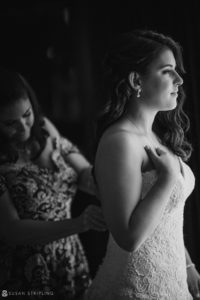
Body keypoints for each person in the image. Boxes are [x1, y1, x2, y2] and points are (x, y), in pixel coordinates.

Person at [85, 29, 200, 300]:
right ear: (137, 79)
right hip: (134, 290)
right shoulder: (119, 141)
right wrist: (167, 179)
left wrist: (187, 263)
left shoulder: (157, 135)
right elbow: (128, 237)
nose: (179, 80)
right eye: (167, 71)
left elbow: (166, 216)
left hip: (172, 283)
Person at [0, 67, 106, 300]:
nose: (24, 128)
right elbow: (11, 230)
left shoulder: (45, 127)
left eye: (27, 114)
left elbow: (86, 173)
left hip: (70, 259)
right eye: (10, 124)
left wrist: (114, 174)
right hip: (26, 273)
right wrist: (79, 223)